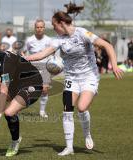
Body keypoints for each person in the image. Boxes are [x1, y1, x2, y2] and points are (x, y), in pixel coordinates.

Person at [25, 3, 123, 156]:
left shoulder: (83, 33)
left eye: (53, 24)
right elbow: (42, 54)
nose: (53, 27)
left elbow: (107, 46)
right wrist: (26, 58)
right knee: (67, 110)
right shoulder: (58, 40)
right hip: (71, 77)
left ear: (61, 23)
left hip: (89, 76)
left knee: (82, 107)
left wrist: (115, 65)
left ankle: (87, 134)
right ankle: (69, 147)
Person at [22, 19, 52, 118]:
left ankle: (42, 111)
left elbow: (53, 52)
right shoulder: (29, 40)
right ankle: (19, 106)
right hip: (33, 67)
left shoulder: (49, 40)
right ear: (35, 28)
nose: (39, 29)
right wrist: (25, 61)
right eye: (37, 27)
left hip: (45, 66)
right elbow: (22, 52)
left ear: (44, 28)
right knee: (30, 89)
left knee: (45, 89)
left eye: (41, 27)